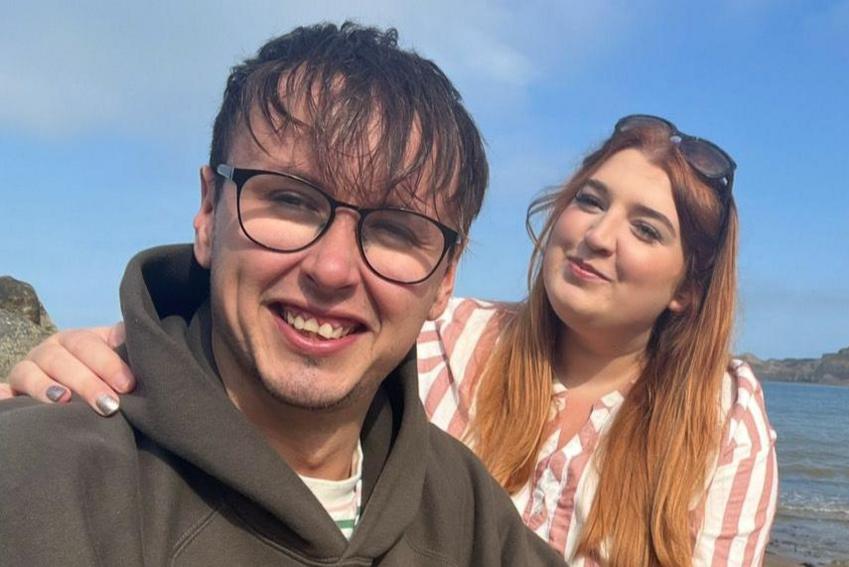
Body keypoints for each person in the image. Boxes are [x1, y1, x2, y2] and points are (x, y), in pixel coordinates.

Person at [8, 116, 777, 564]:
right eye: (590, 200)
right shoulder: (448, 332)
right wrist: (100, 360)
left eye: (646, 228)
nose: (597, 237)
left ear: (686, 287)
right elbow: (262, 370)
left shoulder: (724, 422)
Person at [0, 22, 565, 567]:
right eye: (292, 201)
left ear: (445, 279)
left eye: (395, 229)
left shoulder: (472, 517)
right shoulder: (35, 477)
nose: (333, 269)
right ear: (208, 211)